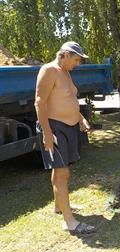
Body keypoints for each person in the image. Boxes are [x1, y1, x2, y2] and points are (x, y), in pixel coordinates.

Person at [34, 41, 95, 235]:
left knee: (60, 170)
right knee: (63, 173)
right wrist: (47, 133)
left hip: (68, 128)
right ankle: (69, 222)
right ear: (65, 54)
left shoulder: (66, 73)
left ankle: (59, 206)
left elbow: (68, 99)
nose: (77, 64)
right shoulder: (49, 70)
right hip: (54, 128)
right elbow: (39, 102)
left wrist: (80, 118)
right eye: (76, 59)